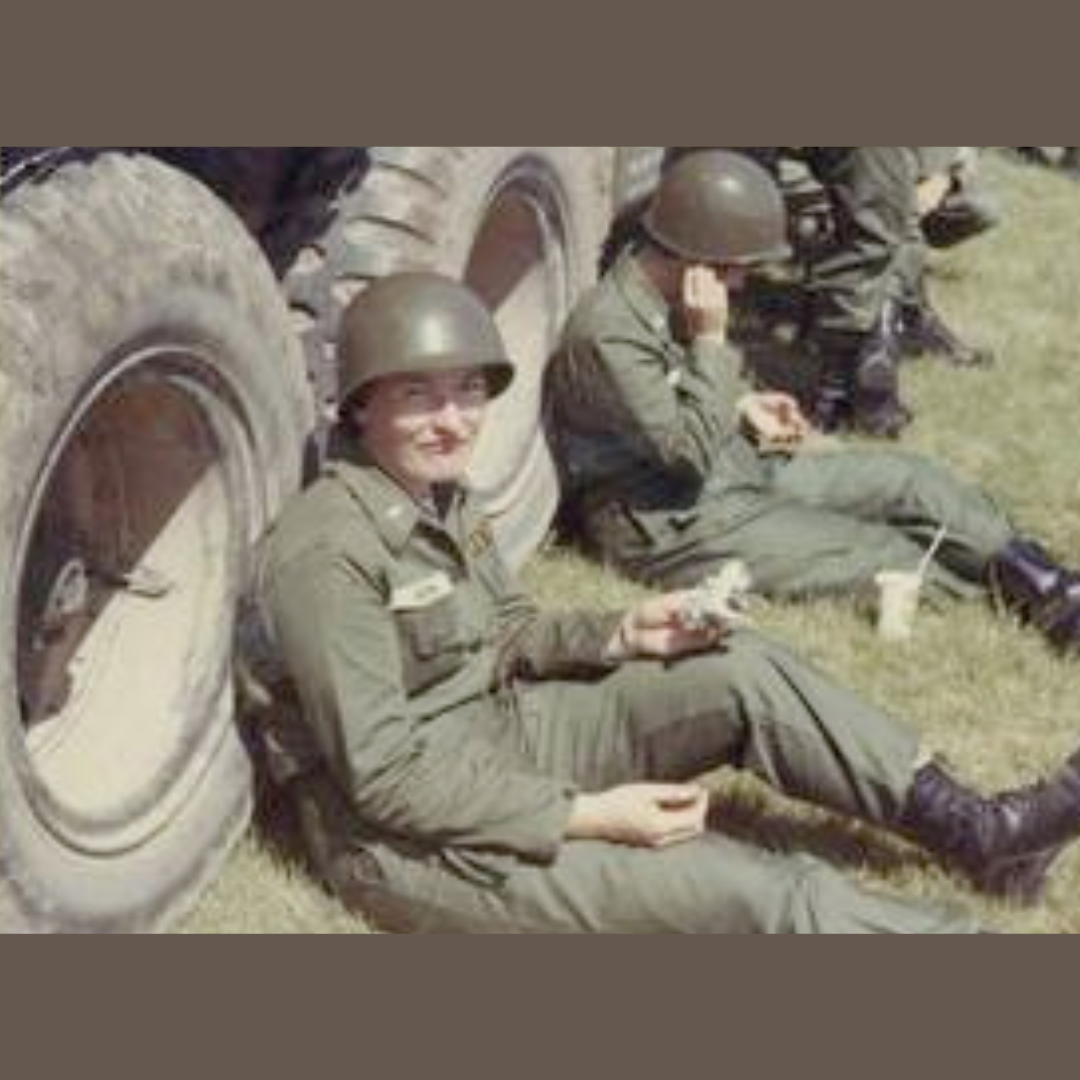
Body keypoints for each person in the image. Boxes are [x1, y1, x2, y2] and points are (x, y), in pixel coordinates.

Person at [258, 270, 1080, 935]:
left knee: (741, 671)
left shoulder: (437, 492)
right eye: (419, 397)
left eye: (468, 391)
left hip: (500, 731)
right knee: (761, 893)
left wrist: (623, 630)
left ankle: (984, 835)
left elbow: (506, 632)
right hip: (409, 837)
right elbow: (386, 779)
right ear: (360, 403)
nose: (453, 420)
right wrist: (588, 814)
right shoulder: (329, 550)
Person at [548, 150, 1080, 652]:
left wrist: (741, 404)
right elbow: (687, 449)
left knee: (912, 482)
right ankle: (1009, 603)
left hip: (728, 472)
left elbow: (673, 398)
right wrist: (711, 342)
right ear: (695, 255)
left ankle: (1052, 584)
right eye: (735, 267)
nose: (738, 283)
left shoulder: (667, 293)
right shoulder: (608, 332)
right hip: (670, 521)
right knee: (882, 554)